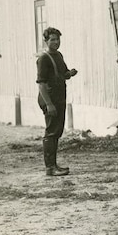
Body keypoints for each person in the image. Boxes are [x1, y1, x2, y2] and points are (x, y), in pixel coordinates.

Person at [37, 27, 78, 176]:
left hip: (60, 97)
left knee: (57, 131)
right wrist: (49, 104)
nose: (56, 42)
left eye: (58, 39)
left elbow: (63, 75)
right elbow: (41, 84)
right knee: (51, 132)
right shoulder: (43, 59)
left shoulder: (58, 55)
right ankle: (50, 168)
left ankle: (54, 165)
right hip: (50, 98)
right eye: (52, 39)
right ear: (46, 41)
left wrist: (70, 74)